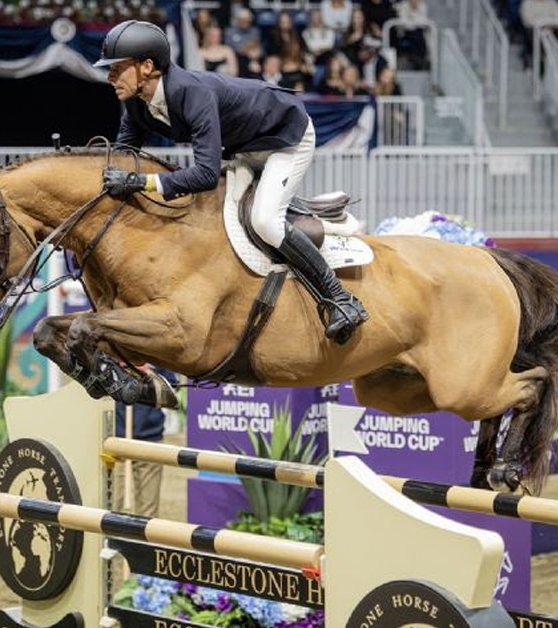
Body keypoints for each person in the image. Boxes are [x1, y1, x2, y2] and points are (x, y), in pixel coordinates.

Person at [94, 20, 369, 345]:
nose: (110, 77)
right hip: (242, 148)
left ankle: (340, 299)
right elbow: (124, 153)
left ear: (147, 67)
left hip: (285, 139)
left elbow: (206, 175)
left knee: (265, 221)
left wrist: (142, 182)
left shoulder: (191, 93)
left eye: (117, 68)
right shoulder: (136, 103)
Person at [112, 367, 178, 517]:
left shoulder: (155, 353)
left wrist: (147, 372)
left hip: (150, 439)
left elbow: (172, 390)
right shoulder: (110, 353)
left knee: (148, 512)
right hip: (116, 442)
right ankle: (111, 540)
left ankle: (143, 541)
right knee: (112, 506)